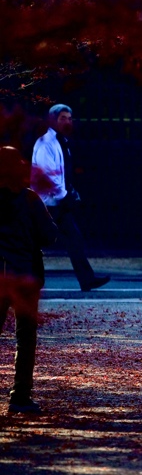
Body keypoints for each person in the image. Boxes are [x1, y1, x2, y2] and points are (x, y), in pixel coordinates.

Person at [0, 146, 59, 414]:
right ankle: (20, 394)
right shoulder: (30, 199)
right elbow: (49, 235)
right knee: (25, 338)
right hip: (24, 273)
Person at [31, 104, 109, 292]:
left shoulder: (60, 142)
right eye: (63, 118)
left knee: (74, 240)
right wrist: (65, 196)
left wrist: (68, 193)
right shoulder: (46, 144)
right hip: (46, 203)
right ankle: (28, 281)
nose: (67, 121)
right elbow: (49, 174)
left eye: (69, 118)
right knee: (36, 243)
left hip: (56, 202)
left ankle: (87, 280)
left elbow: (63, 174)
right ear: (53, 120)